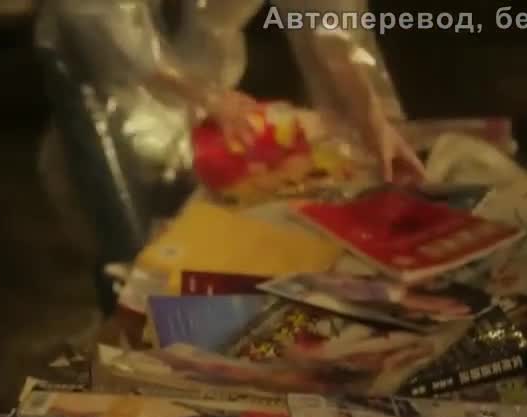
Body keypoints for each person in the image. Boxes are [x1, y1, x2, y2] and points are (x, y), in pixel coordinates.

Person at [36, 0, 424, 314]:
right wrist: (203, 94)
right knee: (134, 261)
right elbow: (95, 18)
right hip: (103, 77)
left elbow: (328, 19)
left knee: (205, 243)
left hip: (207, 86)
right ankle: (129, 351)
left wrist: (370, 116)